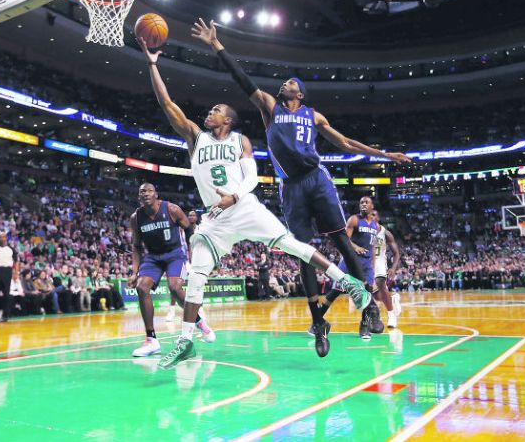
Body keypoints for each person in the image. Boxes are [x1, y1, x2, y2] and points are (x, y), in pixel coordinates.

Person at [138, 37, 370, 369]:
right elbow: (167, 104)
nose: (209, 112)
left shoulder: (240, 140)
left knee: (292, 244)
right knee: (197, 275)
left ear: (227, 121)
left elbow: (252, 177)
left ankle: (348, 283)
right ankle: (186, 341)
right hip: (215, 218)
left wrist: (234, 195)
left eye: (216, 110)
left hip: (244, 207)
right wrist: (152, 64)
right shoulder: (195, 137)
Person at [190, 18, 409, 340]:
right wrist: (216, 44)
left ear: (301, 93)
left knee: (341, 241)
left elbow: (345, 143)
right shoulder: (270, 107)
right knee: (301, 251)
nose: (285, 83)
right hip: (291, 186)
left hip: (316, 178)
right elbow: (243, 80)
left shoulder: (313, 115)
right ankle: (318, 318)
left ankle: (368, 308)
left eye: (291, 82)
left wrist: (384, 155)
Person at [128, 183, 214, 357]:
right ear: (139, 197)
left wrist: (194, 253)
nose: (146, 193)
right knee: (141, 287)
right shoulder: (136, 218)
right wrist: (134, 271)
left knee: (174, 287)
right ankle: (151, 340)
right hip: (152, 257)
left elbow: (189, 229)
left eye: (149, 190)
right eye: (142, 191)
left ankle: (199, 321)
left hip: (175, 255)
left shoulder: (172, 209)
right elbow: (136, 246)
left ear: (156, 195)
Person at [371, 210, 403, 329]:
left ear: (378, 218)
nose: (371, 217)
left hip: (380, 263)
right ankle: (393, 298)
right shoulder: (363, 231)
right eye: (369, 215)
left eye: (374, 215)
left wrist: (393, 268)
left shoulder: (385, 233)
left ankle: (391, 315)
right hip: (367, 264)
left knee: (381, 285)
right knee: (377, 296)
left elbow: (396, 253)